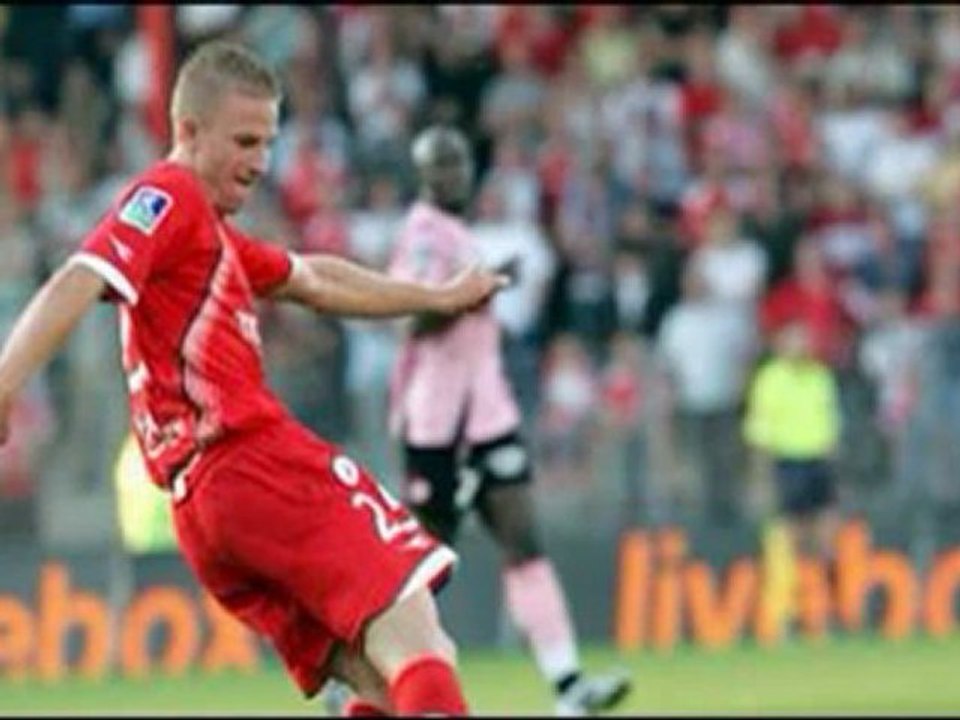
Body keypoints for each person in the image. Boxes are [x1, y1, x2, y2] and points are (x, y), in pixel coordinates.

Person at [0, 41, 511, 717]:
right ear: (187, 131)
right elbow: (82, 273)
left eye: (268, 142)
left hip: (210, 513)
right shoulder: (170, 193)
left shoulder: (211, 239)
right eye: (244, 141)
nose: (260, 163)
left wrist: (435, 298)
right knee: (421, 644)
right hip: (251, 463)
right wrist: (6, 382)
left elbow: (313, 278)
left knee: (382, 689)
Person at [385, 125, 632, 716]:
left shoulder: (460, 233)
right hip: (435, 423)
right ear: (424, 175)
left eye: (460, 164)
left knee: (524, 541)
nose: (454, 176)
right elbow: (407, 318)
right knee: (420, 563)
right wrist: (465, 295)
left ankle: (569, 685)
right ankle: (367, 676)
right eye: (442, 167)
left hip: (487, 413)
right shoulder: (423, 236)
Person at [743, 318, 843, 636]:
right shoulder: (769, 379)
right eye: (794, 339)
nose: (801, 345)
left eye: (804, 339)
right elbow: (759, 432)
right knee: (792, 542)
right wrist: (762, 478)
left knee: (827, 541)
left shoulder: (820, 376)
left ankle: (828, 611)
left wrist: (834, 466)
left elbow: (831, 424)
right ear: (780, 344)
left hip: (818, 463)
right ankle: (792, 613)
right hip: (787, 463)